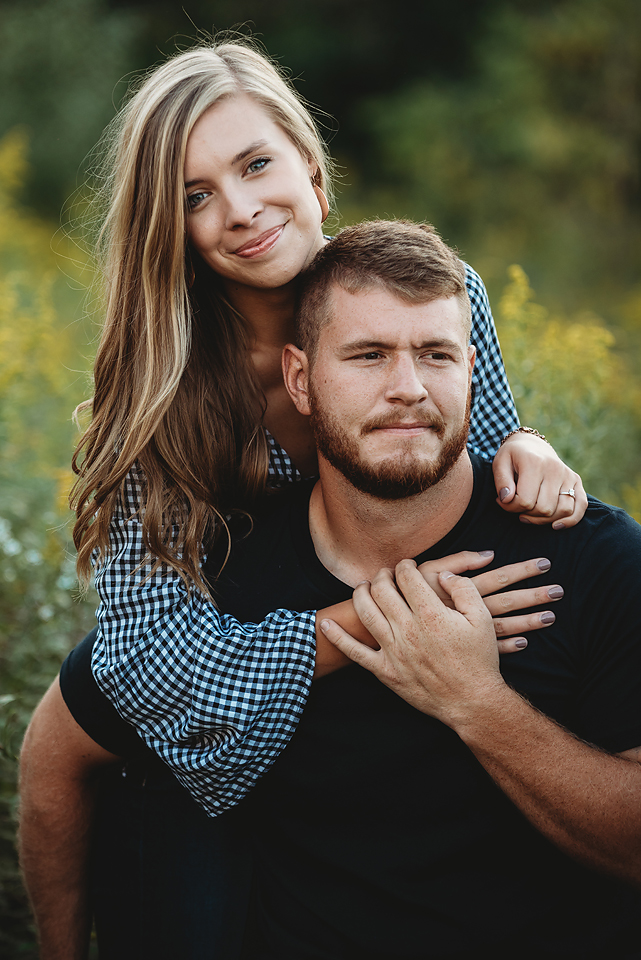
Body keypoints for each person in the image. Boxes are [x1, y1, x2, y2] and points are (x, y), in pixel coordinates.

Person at [21, 221, 640, 959]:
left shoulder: (589, 559)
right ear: (299, 379)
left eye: (435, 354)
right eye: (368, 356)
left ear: (473, 370)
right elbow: (57, 751)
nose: (407, 388)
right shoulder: (219, 590)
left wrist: (475, 702)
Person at [66, 37, 585, 822]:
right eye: (193, 196)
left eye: (255, 165)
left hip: (419, 664)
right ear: (166, 226)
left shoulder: (430, 291)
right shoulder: (159, 392)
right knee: (58, 757)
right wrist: (372, 620)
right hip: (247, 685)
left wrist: (527, 444)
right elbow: (147, 664)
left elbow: (477, 471)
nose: (240, 211)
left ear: (309, 164)